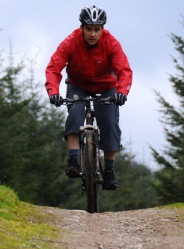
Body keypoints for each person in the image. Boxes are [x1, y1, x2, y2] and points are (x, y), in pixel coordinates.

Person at [45, 5, 133, 190]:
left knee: (109, 122)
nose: (92, 34)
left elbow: (124, 70)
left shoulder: (112, 43)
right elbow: (53, 68)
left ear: (102, 29)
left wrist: (121, 92)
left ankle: (109, 170)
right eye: (88, 29)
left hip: (106, 86)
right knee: (75, 113)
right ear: (81, 28)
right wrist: (53, 92)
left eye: (97, 29)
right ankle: (73, 161)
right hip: (78, 85)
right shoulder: (70, 42)